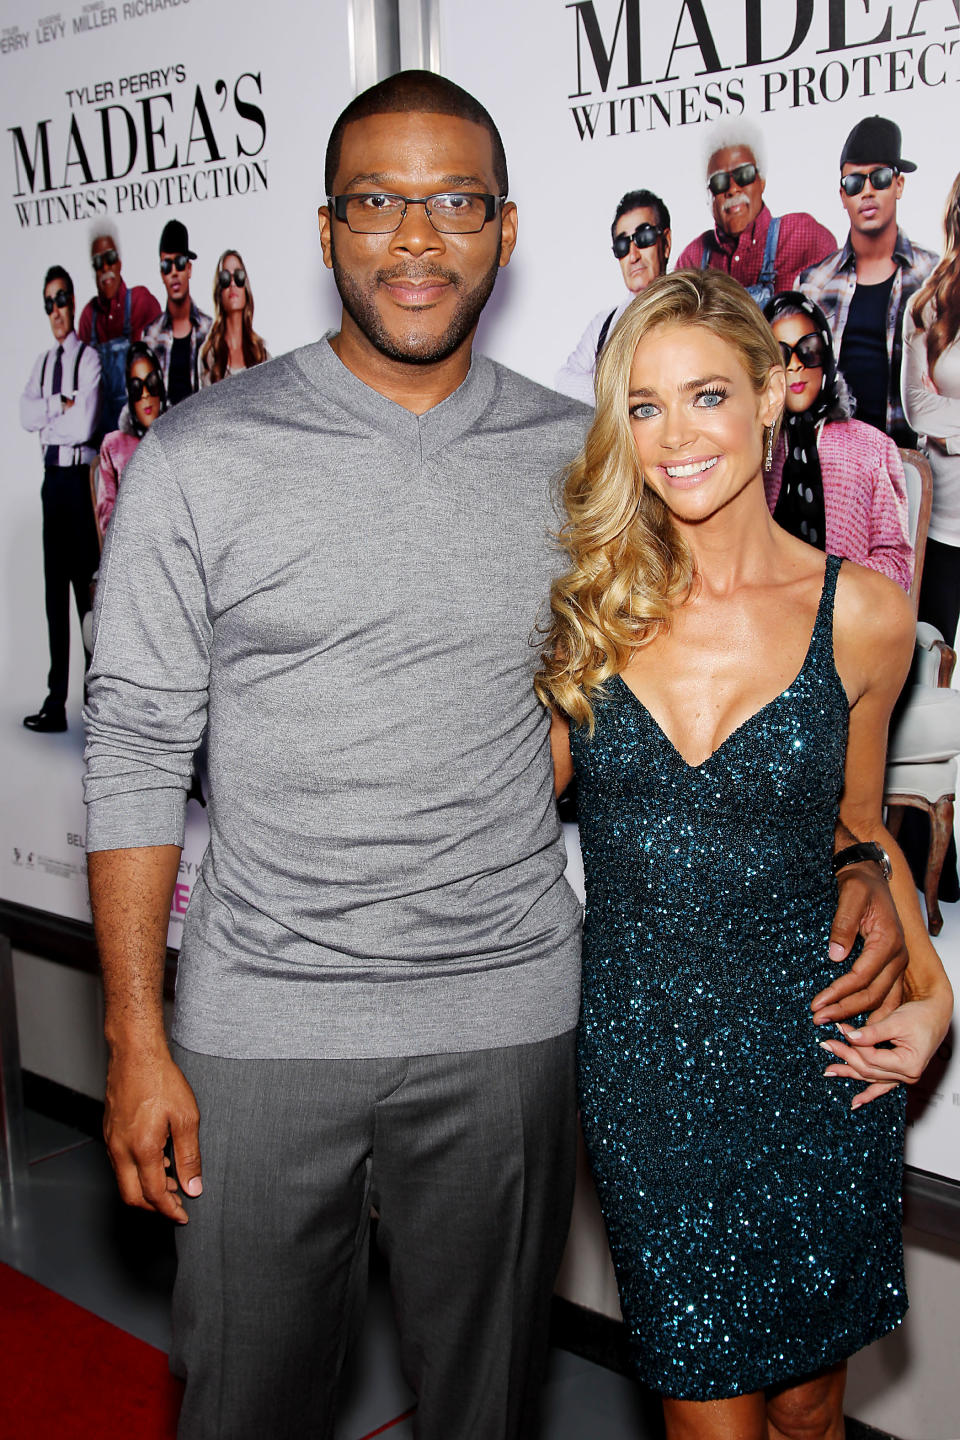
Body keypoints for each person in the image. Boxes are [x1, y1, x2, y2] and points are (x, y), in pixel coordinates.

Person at [84, 74, 908, 1440]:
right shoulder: (199, 454)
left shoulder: (585, 470)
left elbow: (726, 708)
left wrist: (871, 875)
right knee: (245, 1406)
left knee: (485, 1412)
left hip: (508, 1023)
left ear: (507, 229)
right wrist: (132, 1034)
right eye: (379, 204)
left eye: (455, 201)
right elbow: (133, 744)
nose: (418, 238)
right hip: (263, 1025)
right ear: (328, 225)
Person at [537, 269, 952, 1439]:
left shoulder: (865, 614)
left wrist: (935, 996)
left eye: (708, 395)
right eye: (647, 406)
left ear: (774, 394)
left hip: (819, 1052)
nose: (676, 438)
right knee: (707, 1417)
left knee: (814, 1409)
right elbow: (494, 817)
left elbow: (860, 832)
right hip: (649, 1068)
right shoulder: (586, 614)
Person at [800, 115, 937, 449]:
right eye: (854, 183)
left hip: (915, 463)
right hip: (838, 465)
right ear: (842, 194)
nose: (867, 192)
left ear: (899, 185)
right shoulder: (814, 283)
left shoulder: (934, 275)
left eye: (880, 178)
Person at [764, 290, 912, 591]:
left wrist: (826, 584)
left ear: (827, 353)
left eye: (809, 350)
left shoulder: (874, 447)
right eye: (780, 355)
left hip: (846, 619)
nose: (795, 366)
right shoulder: (754, 449)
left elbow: (897, 566)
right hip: (764, 617)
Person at [20, 265, 101, 733]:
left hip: (77, 485)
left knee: (86, 596)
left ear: (73, 300)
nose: (56, 310)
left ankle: (97, 708)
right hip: (52, 482)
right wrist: (58, 405)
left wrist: (58, 414)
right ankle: (56, 703)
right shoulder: (44, 365)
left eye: (62, 298)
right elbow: (24, 413)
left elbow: (85, 423)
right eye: (49, 302)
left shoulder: (87, 360)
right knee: (54, 595)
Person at [675, 123, 835, 307]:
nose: (733, 189)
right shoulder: (692, 259)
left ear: (762, 181)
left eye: (744, 174)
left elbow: (831, 318)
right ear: (707, 195)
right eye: (719, 182)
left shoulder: (804, 235)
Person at [901, 170, 960, 649]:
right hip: (946, 527)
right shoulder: (927, 306)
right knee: (931, 661)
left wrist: (951, 423)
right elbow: (918, 409)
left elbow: (936, 411)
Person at [555, 189, 670, 404]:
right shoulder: (603, 324)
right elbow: (563, 380)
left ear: (666, 242)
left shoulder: (690, 308)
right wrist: (622, 389)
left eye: (644, 237)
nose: (633, 255)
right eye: (623, 245)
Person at [77, 228, 162, 435]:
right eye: (98, 262)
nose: (105, 267)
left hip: (142, 432)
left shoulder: (142, 301)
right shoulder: (89, 316)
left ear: (120, 262)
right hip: (104, 436)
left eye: (110, 258)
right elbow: (85, 390)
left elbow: (160, 373)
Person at [96, 342, 167, 539]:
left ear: (160, 385)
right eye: (136, 388)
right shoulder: (113, 446)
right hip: (132, 552)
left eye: (151, 383)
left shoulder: (179, 435)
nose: (145, 394)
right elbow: (107, 518)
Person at [142, 219, 212, 406]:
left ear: (189, 269)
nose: (173, 272)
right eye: (167, 265)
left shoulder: (210, 329)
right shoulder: (151, 335)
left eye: (179, 263)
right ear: (161, 273)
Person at [199, 248, 270, 386]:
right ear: (219, 292)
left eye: (238, 276)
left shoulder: (261, 354)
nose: (232, 283)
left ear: (246, 288)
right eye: (225, 278)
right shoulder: (209, 356)